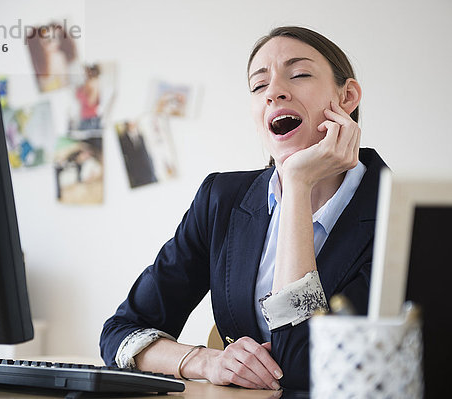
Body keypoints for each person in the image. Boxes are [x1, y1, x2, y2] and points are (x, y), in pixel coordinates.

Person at [100, 26, 388, 391]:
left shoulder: (401, 215)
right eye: (258, 85)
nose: (274, 92)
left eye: (298, 74)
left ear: (347, 97)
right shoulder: (221, 198)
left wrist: (297, 187)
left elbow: (301, 364)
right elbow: (120, 333)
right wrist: (204, 360)